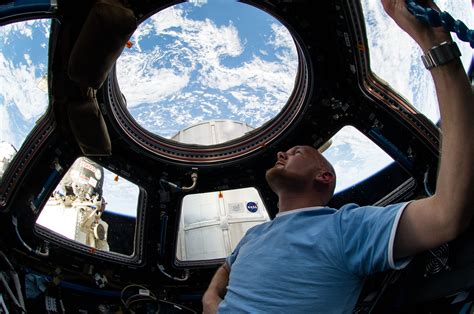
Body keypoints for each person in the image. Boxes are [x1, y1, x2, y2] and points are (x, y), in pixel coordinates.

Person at [202, 0, 474, 312]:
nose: (282, 152)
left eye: (297, 151)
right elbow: (227, 267)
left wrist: (436, 45)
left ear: (324, 177)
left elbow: (447, 216)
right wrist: (211, 299)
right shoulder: (253, 236)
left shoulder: (346, 229)